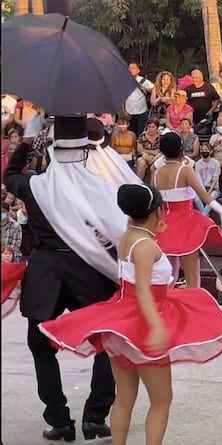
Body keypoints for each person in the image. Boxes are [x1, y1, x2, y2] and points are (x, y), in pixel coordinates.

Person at [39, 183, 222, 445]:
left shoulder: (128, 236)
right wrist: (156, 326)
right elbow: (145, 293)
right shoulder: (145, 245)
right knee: (162, 399)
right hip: (142, 322)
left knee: (124, 397)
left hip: (121, 321)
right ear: (158, 211)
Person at [4, 115, 130, 442]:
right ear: (87, 151)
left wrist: (29, 139)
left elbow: (10, 175)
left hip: (46, 273)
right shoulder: (98, 190)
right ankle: (95, 416)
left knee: (40, 345)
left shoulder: (35, 186)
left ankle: (59, 419)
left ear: (51, 149)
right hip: (89, 271)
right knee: (108, 342)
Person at [152, 132, 222, 288]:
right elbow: (204, 196)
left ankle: (163, 305)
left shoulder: (157, 173)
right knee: (192, 274)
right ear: (181, 150)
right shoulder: (185, 170)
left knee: (170, 273)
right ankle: (193, 305)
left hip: (164, 223)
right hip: (185, 223)